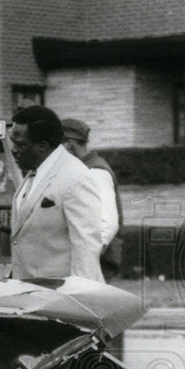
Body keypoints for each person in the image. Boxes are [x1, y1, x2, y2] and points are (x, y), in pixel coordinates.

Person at [8, 105, 105, 282]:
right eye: (13, 142)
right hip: (29, 292)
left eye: (20, 144)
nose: (13, 150)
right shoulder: (34, 172)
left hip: (59, 297)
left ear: (43, 146)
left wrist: (80, 300)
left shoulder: (75, 177)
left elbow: (86, 247)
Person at [62, 117, 123, 279]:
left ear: (68, 144)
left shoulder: (95, 171)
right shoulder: (82, 169)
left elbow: (108, 223)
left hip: (95, 261)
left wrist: (87, 257)